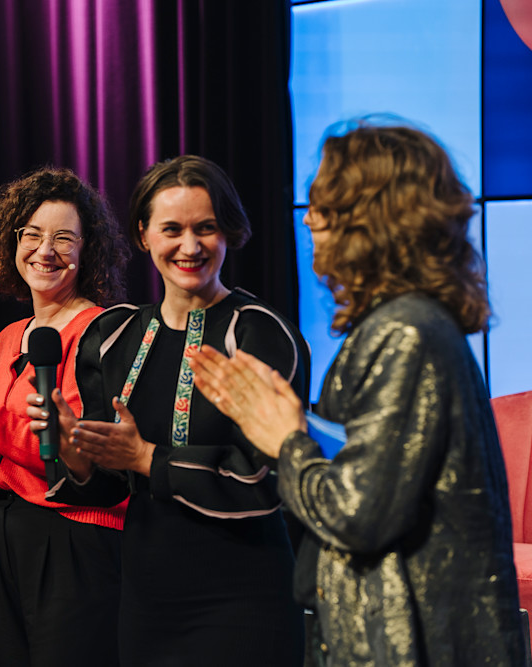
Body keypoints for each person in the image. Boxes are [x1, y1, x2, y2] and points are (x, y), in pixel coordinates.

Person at [190, 122, 526, 665]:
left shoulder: (407, 333)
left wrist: (287, 440)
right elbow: (379, 462)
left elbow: (358, 514)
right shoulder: (399, 326)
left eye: (326, 203)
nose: (311, 219)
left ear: (370, 219)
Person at [32, 155, 308, 665]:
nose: (190, 246)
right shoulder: (113, 336)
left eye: (207, 228)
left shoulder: (259, 332)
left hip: (246, 593)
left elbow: (264, 478)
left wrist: (146, 458)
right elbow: (109, 486)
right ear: (143, 235)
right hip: (147, 594)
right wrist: (77, 453)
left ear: (229, 233)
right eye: (172, 229)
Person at [0, 167, 130, 666]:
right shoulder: (8, 338)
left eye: (63, 238)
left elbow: (75, 462)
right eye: (32, 235)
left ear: (88, 251)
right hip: (7, 531)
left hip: (76, 537)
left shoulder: (102, 331)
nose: (45, 250)